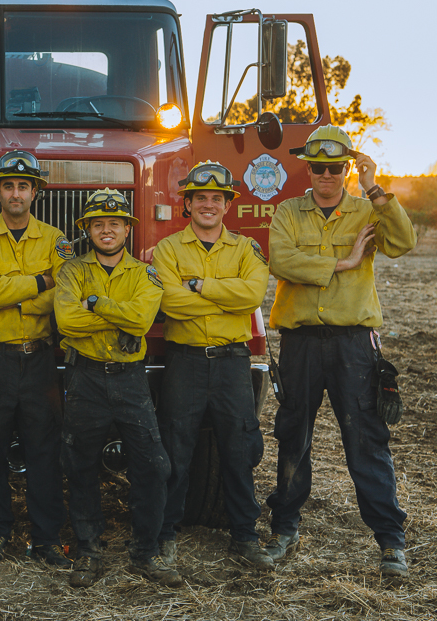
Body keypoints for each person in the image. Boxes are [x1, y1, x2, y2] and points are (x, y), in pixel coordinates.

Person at [265, 126, 416, 578]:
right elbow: (280, 260)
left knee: (366, 441)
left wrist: (375, 187)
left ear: (347, 167)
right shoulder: (287, 212)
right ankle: (284, 529)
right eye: (318, 167)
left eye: (335, 167)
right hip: (301, 344)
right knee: (293, 436)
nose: (326, 175)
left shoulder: (368, 209)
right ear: (307, 168)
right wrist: (343, 263)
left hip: (354, 345)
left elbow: (403, 243)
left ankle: (391, 542)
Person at [152, 161, 273, 571]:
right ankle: (164, 535)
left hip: (231, 363)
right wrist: (226, 298)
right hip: (184, 363)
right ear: (187, 204)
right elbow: (170, 303)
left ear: (227, 206)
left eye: (216, 198)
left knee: (238, 451)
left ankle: (245, 536)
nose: (208, 204)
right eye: (200, 197)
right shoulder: (168, 250)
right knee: (176, 450)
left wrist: (199, 286)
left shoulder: (246, 249)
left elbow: (252, 295)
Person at [54, 188, 178, 588]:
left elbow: (142, 322)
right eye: (98, 224)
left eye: (115, 223)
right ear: (87, 229)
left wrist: (96, 303)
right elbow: (66, 322)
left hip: (130, 378)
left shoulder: (147, 273)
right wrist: (116, 316)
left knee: (154, 465)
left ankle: (147, 552)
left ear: (128, 228)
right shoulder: (72, 271)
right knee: (80, 464)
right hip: (85, 376)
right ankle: (87, 552)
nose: (106, 230)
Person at [0, 151, 72, 568]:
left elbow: (60, 294)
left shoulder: (56, 238)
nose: (15, 193)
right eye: (8, 186)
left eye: (23, 186)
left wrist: (18, 291)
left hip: (40, 360)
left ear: (35, 192)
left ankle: (46, 539)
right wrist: (40, 282)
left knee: (44, 449)